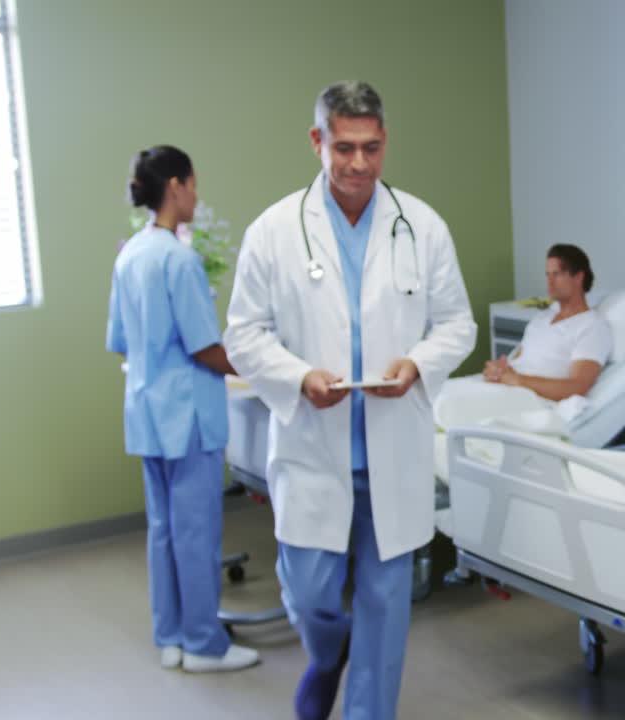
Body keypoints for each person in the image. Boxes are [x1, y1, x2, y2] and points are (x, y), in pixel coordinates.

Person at [224, 82, 476, 720]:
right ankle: (327, 654)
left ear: (385, 142)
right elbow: (244, 334)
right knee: (312, 599)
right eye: (343, 148)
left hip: (394, 447)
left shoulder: (422, 226)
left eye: (370, 148)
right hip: (314, 446)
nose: (358, 163)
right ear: (318, 142)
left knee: (387, 608)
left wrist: (417, 365)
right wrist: (299, 374)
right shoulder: (275, 231)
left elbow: (457, 325)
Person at [106, 145, 260, 673]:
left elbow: (122, 341)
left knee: (164, 528)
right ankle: (202, 644)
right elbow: (205, 349)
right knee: (196, 532)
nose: (197, 196)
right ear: (175, 185)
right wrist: (266, 367)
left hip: (148, 411)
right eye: (194, 185)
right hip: (188, 416)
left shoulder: (129, 254)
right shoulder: (178, 258)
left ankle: (170, 635)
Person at [483, 244, 612, 401]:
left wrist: (518, 380)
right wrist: (497, 369)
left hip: (533, 399)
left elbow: (577, 386)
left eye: (557, 274)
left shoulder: (592, 326)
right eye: (547, 275)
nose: (549, 282)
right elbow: (516, 360)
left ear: (578, 277)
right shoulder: (541, 318)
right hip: (506, 390)